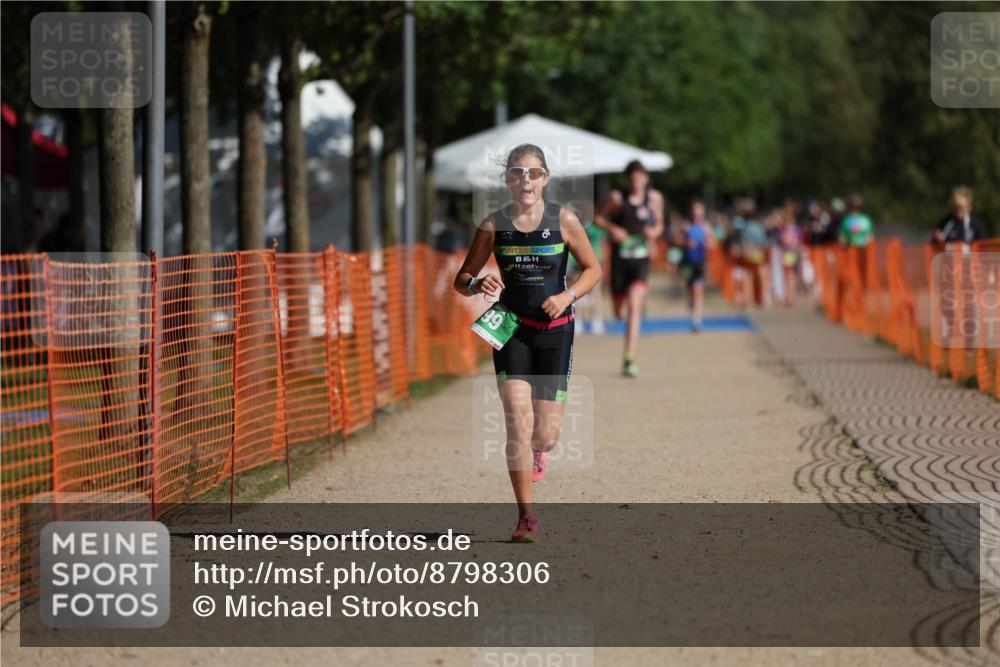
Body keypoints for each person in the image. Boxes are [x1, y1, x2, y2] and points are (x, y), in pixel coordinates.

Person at [454, 144, 601, 543]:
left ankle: (541, 449)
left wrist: (568, 295)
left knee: (546, 435)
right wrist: (475, 282)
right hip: (511, 328)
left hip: (556, 331)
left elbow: (593, 269)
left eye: (534, 173)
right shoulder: (492, 225)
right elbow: (461, 278)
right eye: (517, 172)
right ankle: (526, 517)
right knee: (516, 420)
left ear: (545, 179)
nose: (526, 180)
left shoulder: (564, 220)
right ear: (507, 180)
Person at [593, 160, 664, 377]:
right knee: (619, 312)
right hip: (620, 260)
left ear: (646, 179)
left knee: (635, 305)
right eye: (632, 178)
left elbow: (659, 224)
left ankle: (629, 358)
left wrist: (654, 233)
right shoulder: (617, 199)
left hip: (640, 260)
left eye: (640, 177)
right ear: (627, 179)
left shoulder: (654, 199)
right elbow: (596, 218)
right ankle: (619, 309)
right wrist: (613, 228)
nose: (636, 182)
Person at [566, 199, 608, 334]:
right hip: (578, 261)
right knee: (580, 291)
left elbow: (601, 243)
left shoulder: (589, 226)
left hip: (589, 261)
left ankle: (594, 320)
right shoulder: (579, 225)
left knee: (591, 292)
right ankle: (582, 320)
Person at [680, 200, 712, 331]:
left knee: (698, 290)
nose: (696, 212)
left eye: (699, 210)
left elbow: (712, 242)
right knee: (691, 290)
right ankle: (692, 304)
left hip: (700, 262)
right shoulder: (686, 226)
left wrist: (706, 243)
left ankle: (697, 321)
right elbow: (677, 241)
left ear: (703, 212)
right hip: (688, 262)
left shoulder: (706, 227)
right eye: (695, 209)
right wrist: (686, 242)